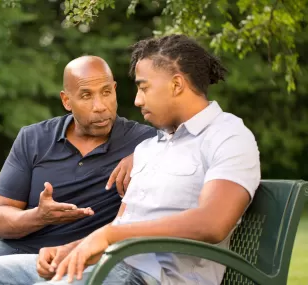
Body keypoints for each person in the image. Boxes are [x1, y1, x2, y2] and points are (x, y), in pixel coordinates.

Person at [0, 55, 156, 285]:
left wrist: (144, 153)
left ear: (115, 89)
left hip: (82, 256)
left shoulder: (146, 141)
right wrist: (39, 216)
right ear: (66, 101)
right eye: (86, 95)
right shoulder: (33, 138)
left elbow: (183, 141)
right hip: (15, 246)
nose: (100, 106)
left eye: (106, 92)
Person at [45, 34, 261, 285]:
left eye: (144, 87)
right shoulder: (148, 148)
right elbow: (124, 222)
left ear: (176, 85)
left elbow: (212, 223)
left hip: (153, 278)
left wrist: (110, 235)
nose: (137, 100)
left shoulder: (228, 136)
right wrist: (72, 249)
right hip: (111, 266)